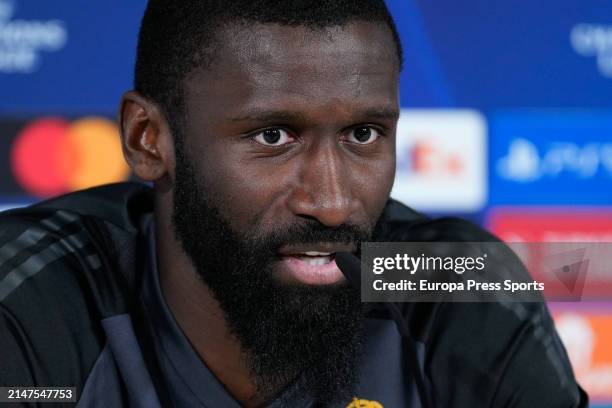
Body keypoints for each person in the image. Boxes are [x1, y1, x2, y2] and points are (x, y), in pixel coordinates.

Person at [0, 1, 587, 407]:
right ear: (147, 139)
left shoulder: (455, 289)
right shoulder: (30, 296)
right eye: (273, 136)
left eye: (363, 135)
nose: (333, 204)